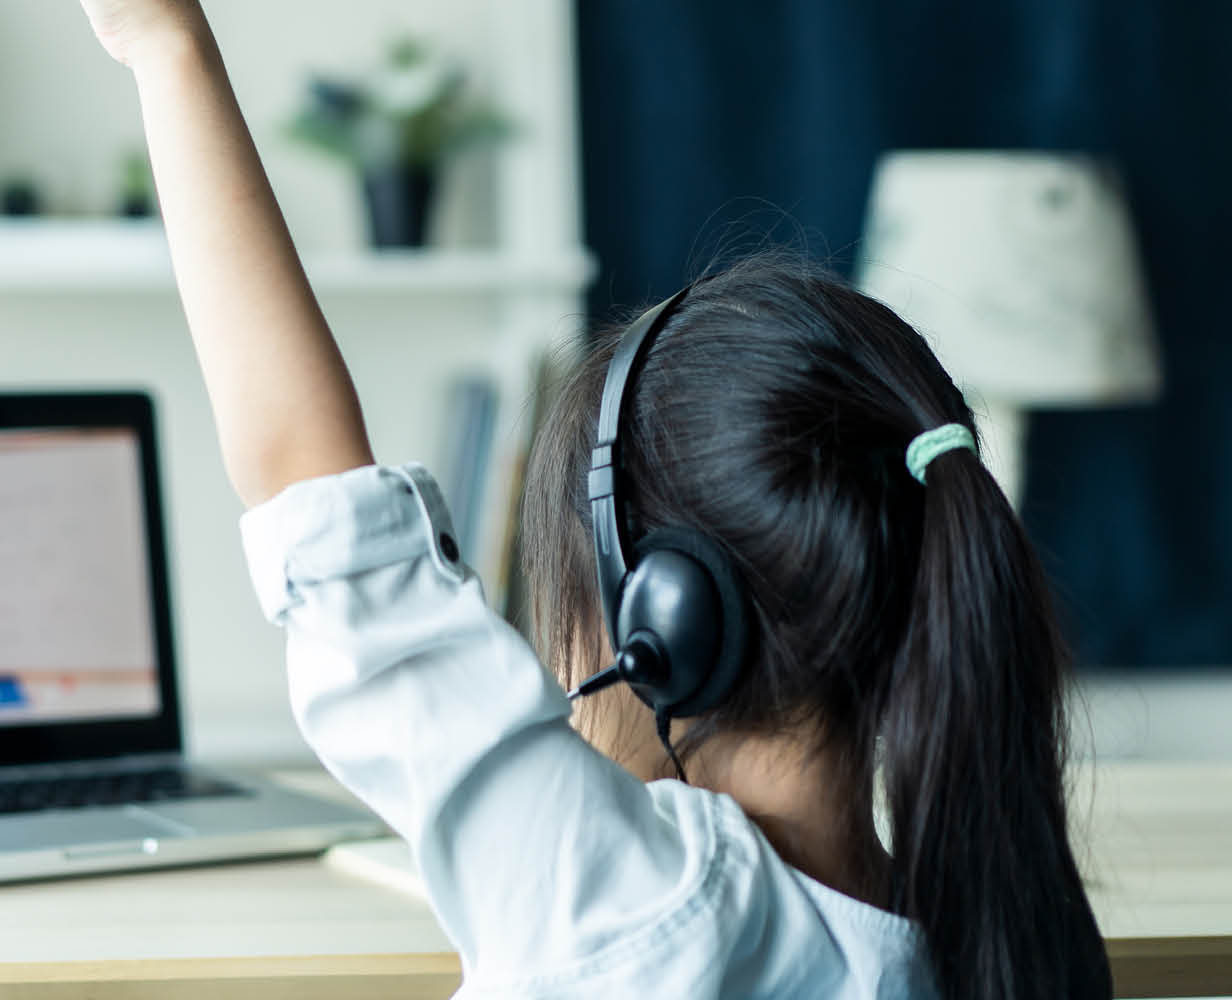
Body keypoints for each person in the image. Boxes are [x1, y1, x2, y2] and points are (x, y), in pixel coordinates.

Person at [73, 3, 1111, 997]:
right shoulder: (983, 935)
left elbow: (310, 483)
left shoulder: (633, 904)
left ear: (662, 620)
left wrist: (162, 43)